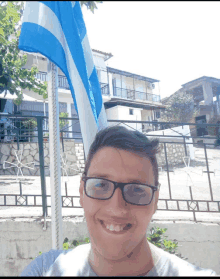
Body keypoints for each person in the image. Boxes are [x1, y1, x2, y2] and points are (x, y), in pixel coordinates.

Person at [20, 125, 217, 276]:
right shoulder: (45, 270)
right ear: (82, 191)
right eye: (101, 185)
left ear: (155, 201)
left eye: (137, 190)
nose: (116, 208)